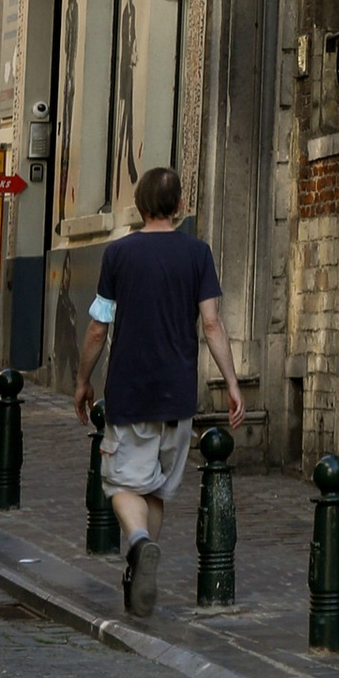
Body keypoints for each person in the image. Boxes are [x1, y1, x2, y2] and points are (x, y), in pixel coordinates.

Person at [73, 164, 243, 617]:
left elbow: (98, 326)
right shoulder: (198, 254)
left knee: (121, 484)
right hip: (177, 396)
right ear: (180, 205)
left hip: (131, 392)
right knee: (155, 490)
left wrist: (83, 379)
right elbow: (211, 323)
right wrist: (231, 382)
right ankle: (140, 572)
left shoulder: (118, 254)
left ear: (139, 206)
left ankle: (139, 543)